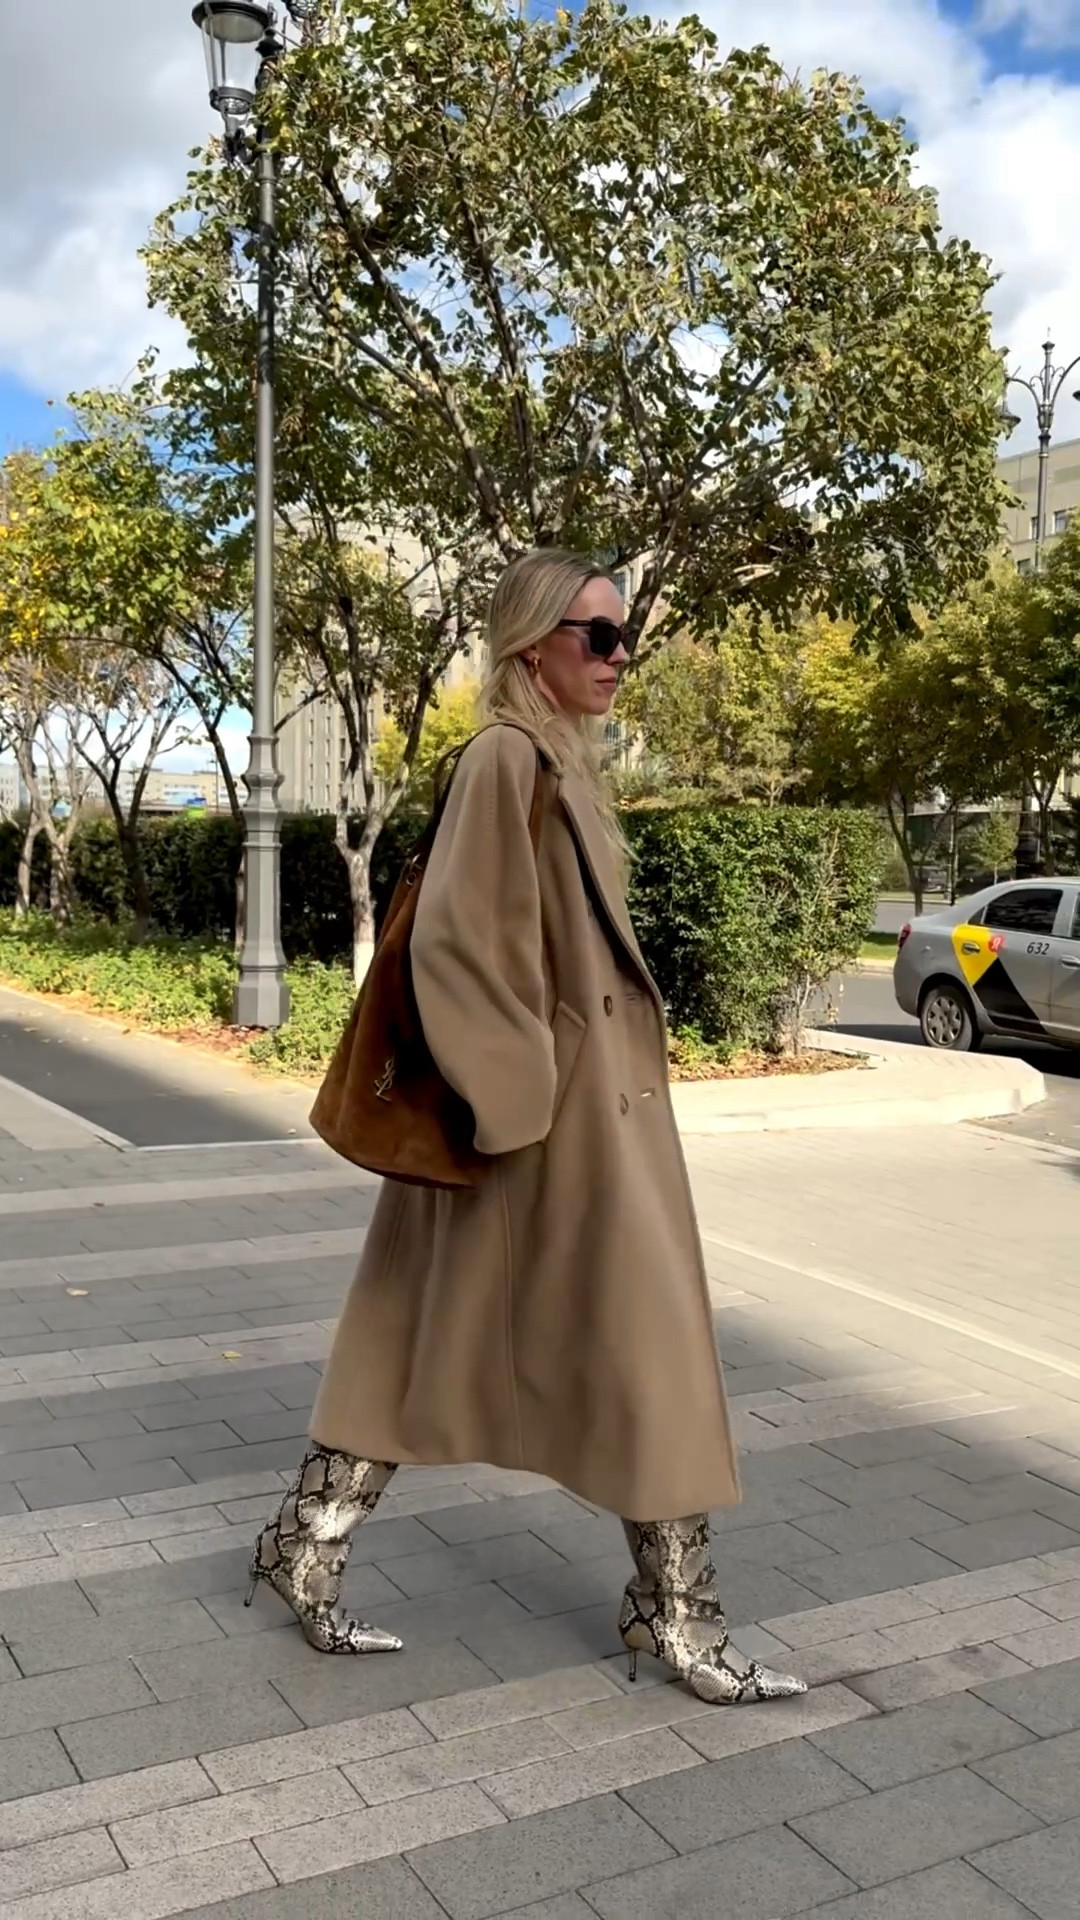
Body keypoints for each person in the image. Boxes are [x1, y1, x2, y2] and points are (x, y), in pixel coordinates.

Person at [246, 549, 806, 1706]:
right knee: (627, 1348)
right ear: (530, 647)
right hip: (551, 1134)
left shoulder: (563, 767)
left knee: (432, 1337)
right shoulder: (509, 758)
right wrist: (523, 1100)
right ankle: (673, 1614)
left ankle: (307, 1543)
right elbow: (459, 941)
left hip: (579, 1128)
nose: (617, 655)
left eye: (620, 634)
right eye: (593, 635)